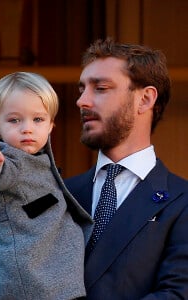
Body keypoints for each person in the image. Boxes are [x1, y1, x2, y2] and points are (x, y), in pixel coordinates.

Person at [0, 72, 94, 300]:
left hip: (45, 268)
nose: (27, 128)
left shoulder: (39, 157)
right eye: (14, 120)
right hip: (23, 274)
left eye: (37, 120)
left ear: (50, 126)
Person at [64, 37, 188, 299]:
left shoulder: (182, 202)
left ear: (145, 99)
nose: (82, 101)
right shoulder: (61, 192)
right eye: (81, 89)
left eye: (100, 88)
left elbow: (177, 294)